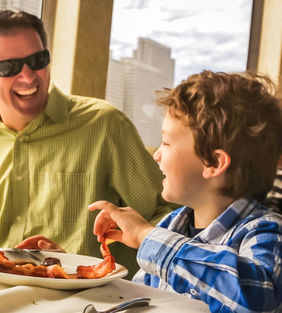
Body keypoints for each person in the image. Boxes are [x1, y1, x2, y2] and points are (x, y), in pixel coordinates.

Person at [0, 9, 177, 277]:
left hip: (92, 298)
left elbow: (169, 213)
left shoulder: (105, 124)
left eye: (37, 60)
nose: (28, 77)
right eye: (8, 67)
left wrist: (86, 260)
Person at [88, 71, 282, 312]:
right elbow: (139, 301)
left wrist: (146, 236)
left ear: (213, 162)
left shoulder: (266, 232)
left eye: (166, 142)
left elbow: (256, 298)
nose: (156, 155)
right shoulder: (171, 225)